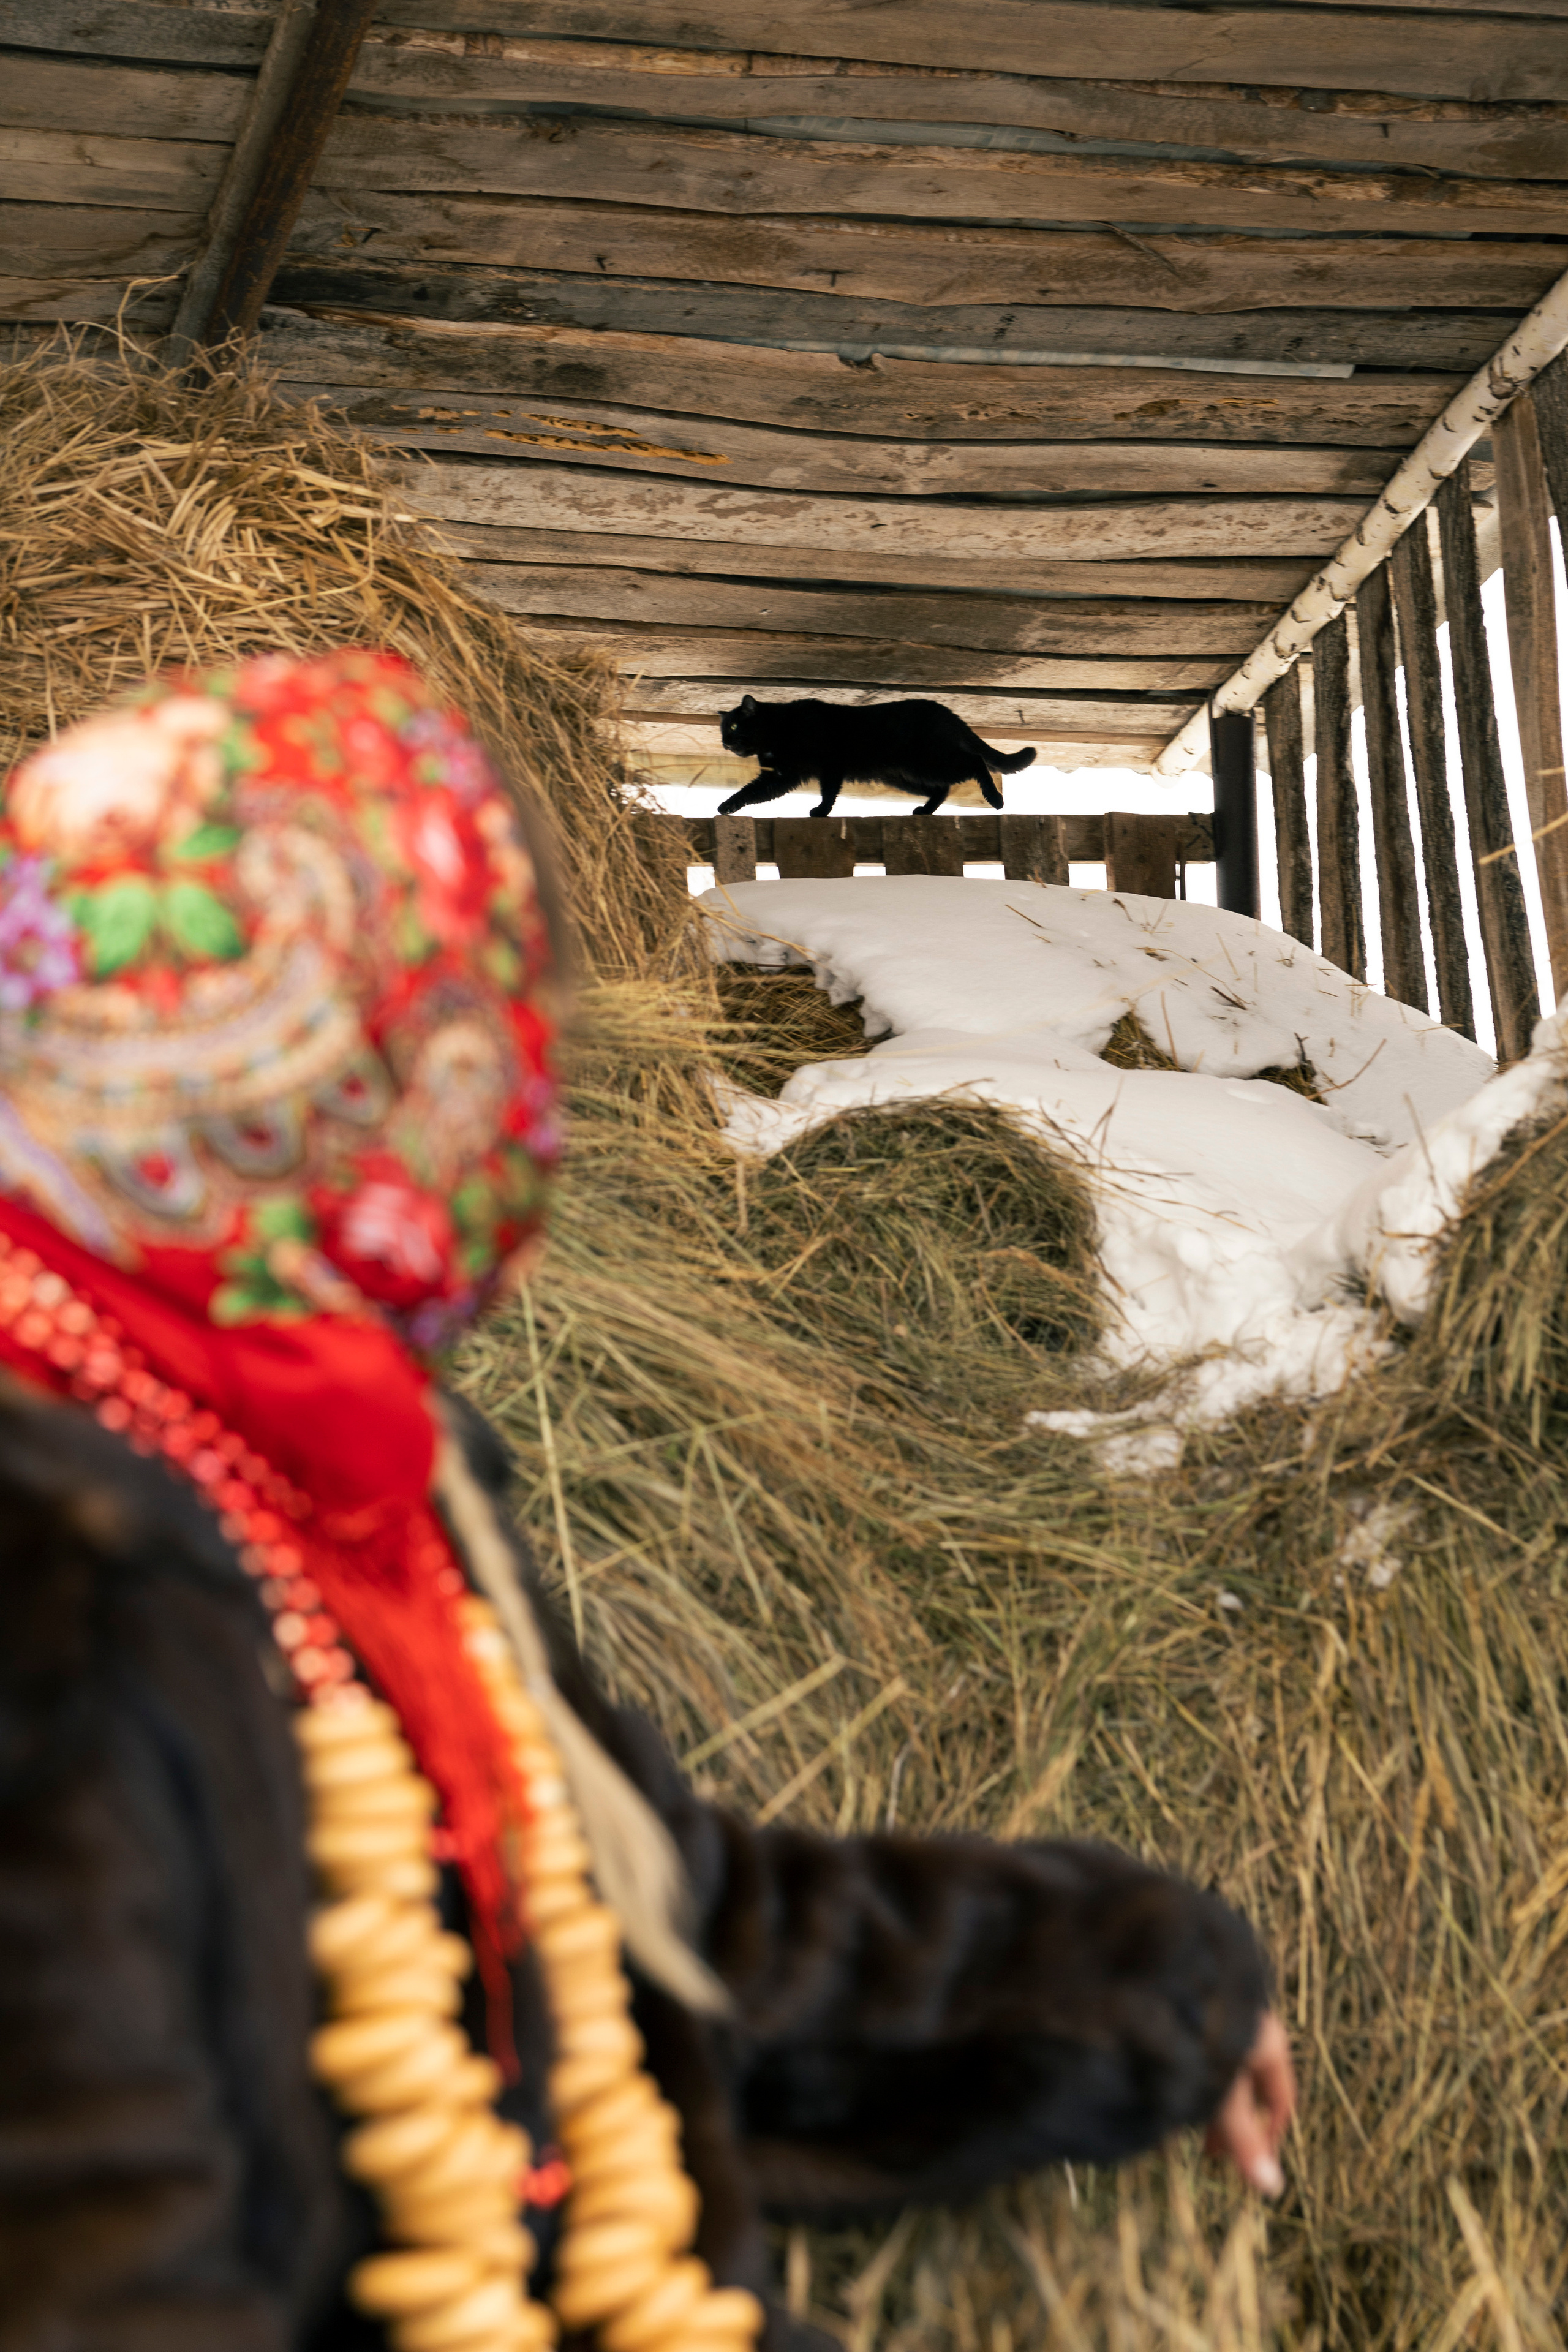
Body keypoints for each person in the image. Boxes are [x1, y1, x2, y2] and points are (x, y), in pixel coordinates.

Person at [0, 650, 1294, 2352]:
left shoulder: (357, 1484)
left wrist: (1143, 1978)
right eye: (474, 1028)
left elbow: (635, 1931)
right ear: (319, 1061)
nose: (532, 1109)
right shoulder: (54, 1574)